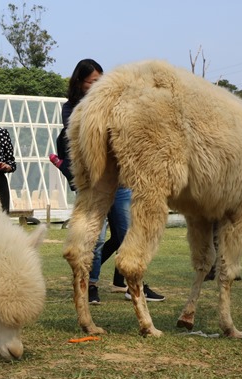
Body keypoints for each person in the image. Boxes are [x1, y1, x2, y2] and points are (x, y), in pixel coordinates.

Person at [53, 58, 164, 305]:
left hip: (121, 181)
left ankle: (132, 283)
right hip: (95, 183)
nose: (97, 86)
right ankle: (90, 286)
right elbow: (81, 138)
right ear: (80, 82)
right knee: (97, 238)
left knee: (128, 233)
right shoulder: (72, 108)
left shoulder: (116, 105)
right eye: (92, 82)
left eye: (100, 81)